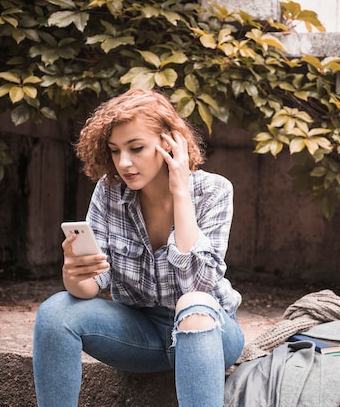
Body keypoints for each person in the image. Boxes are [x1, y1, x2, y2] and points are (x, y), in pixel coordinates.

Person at [33, 88, 244, 407]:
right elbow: (92, 286)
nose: (124, 163)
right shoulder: (109, 193)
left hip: (209, 332)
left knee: (194, 304)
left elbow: (198, 286)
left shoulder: (214, 191)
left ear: (170, 142)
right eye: (116, 151)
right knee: (55, 312)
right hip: (138, 334)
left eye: (136, 148)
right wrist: (74, 274)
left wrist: (180, 192)